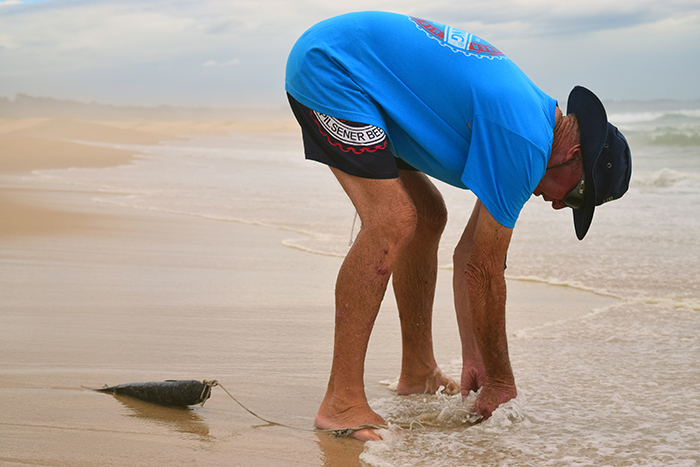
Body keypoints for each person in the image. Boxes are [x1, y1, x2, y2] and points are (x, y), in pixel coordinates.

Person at [285, 11, 631, 441]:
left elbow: (471, 256)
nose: (561, 206)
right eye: (577, 196)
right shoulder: (526, 142)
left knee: (428, 215)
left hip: (370, 83)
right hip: (333, 68)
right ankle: (341, 401)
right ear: (573, 154)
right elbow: (483, 270)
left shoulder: (532, 123)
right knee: (393, 218)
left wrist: (476, 359)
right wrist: (501, 382)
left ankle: (419, 370)